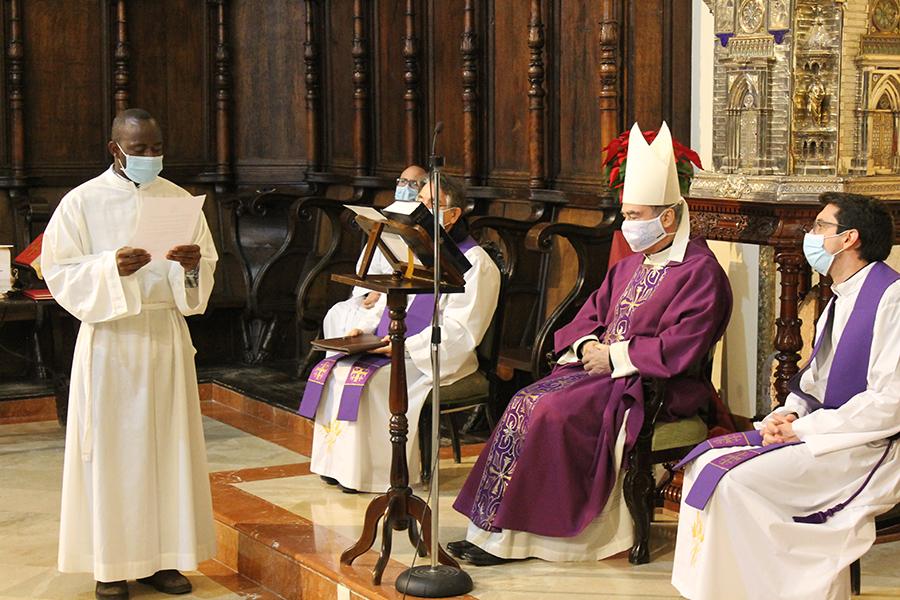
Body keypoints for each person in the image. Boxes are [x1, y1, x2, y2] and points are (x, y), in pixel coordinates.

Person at [450, 122, 733, 565]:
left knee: (552, 411)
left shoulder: (701, 272)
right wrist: (585, 348)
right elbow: (591, 314)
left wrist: (615, 357)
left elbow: (683, 346)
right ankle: (493, 530)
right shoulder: (631, 266)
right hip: (601, 373)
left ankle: (534, 538)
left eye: (636, 216)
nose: (627, 226)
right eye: (627, 215)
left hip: (653, 386)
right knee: (525, 399)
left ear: (669, 217)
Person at [672, 193, 900, 600]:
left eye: (819, 227)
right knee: (704, 463)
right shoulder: (840, 295)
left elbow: (889, 402)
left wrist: (807, 429)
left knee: (734, 484)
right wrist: (788, 415)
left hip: (867, 446)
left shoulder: (891, 298)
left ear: (849, 239)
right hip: (826, 432)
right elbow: (814, 380)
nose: (810, 235)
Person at [43, 108, 218, 600]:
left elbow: (203, 272)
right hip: (112, 341)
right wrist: (108, 267)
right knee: (114, 457)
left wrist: (190, 265)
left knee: (168, 451)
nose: (150, 156)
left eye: (156, 147)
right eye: (139, 149)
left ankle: (162, 560)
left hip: (164, 336)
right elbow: (57, 272)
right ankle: (111, 565)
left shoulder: (179, 199)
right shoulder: (82, 202)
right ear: (114, 148)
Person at [302, 172, 501, 492]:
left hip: (436, 355)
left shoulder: (476, 263)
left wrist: (404, 346)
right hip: (398, 344)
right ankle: (340, 466)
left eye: (432, 204)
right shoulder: (418, 252)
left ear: (453, 215)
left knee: (377, 380)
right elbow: (393, 303)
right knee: (339, 365)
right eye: (420, 202)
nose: (421, 210)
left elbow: (461, 331)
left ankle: (377, 473)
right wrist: (365, 330)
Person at [321, 164, 427, 338]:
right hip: (376, 296)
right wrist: (371, 291)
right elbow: (368, 267)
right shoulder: (385, 221)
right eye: (402, 182)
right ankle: (337, 364)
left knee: (364, 323)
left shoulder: (423, 229)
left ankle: (361, 363)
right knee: (337, 313)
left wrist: (383, 293)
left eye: (413, 184)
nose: (405, 188)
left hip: (402, 298)